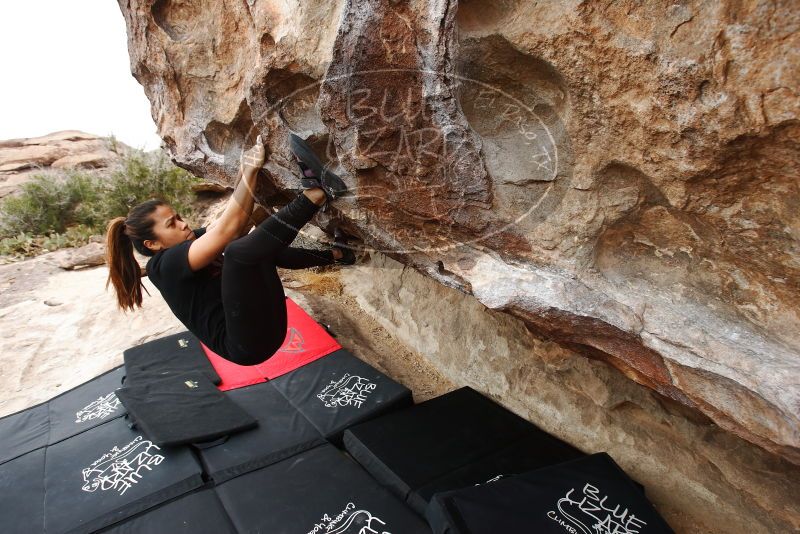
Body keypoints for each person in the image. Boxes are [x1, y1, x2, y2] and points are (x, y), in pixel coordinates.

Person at [105, 133, 354, 366]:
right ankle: (316, 193)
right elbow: (230, 230)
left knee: (262, 249)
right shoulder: (163, 266)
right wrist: (250, 170)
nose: (183, 224)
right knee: (238, 252)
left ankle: (338, 254)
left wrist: (245, 170)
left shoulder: (190, 242)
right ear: (153, 244)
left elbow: (235, 219)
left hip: (267, 323)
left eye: (179, 216)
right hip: (247, 345)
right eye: (172, 224)